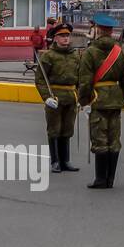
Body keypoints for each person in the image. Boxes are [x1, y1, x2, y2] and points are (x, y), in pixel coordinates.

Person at [78, 12, 124, 190]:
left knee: (100, 138)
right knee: (114, 138)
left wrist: (84, 101)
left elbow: (85, 81)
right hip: (115, 100)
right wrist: (121, 97)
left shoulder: (90, 52)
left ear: (98, 31)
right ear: (110, 32)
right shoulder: (120, 52)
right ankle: (111, 179)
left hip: (97, 99)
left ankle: (101, 179)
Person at [35, 21, 79, 173]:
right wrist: (46, 97)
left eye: (67, 35)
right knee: (54, 129)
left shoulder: (75, 55)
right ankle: (55, 161)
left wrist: (81, 98)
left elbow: (81, 77)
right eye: (62, 36)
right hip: (55, 97)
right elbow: (40, 79)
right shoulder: (49, 57)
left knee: (67, 130)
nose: (65, 38)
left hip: (71, 97)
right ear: (55, 38)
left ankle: (65, 160)